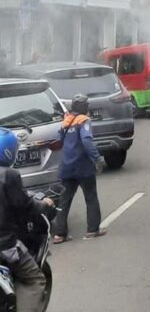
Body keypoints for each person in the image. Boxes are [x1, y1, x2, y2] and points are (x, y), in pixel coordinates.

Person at [0, 127, 54, 312]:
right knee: (35, 280)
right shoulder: (8, 175)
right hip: (5, 246)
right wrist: (44, 205)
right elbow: (25, 206)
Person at [53, 94, 106, 244]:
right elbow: (87, 140)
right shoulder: (84, 121)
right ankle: (93, 229)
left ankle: (59, 234)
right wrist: (97, 158)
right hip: (83, 166)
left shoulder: (66, 122)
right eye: (87, 105)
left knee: (64, 200)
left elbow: (60, 141)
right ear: (84, 107)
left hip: (67, 166)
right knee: (91, 197)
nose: (88, 107)